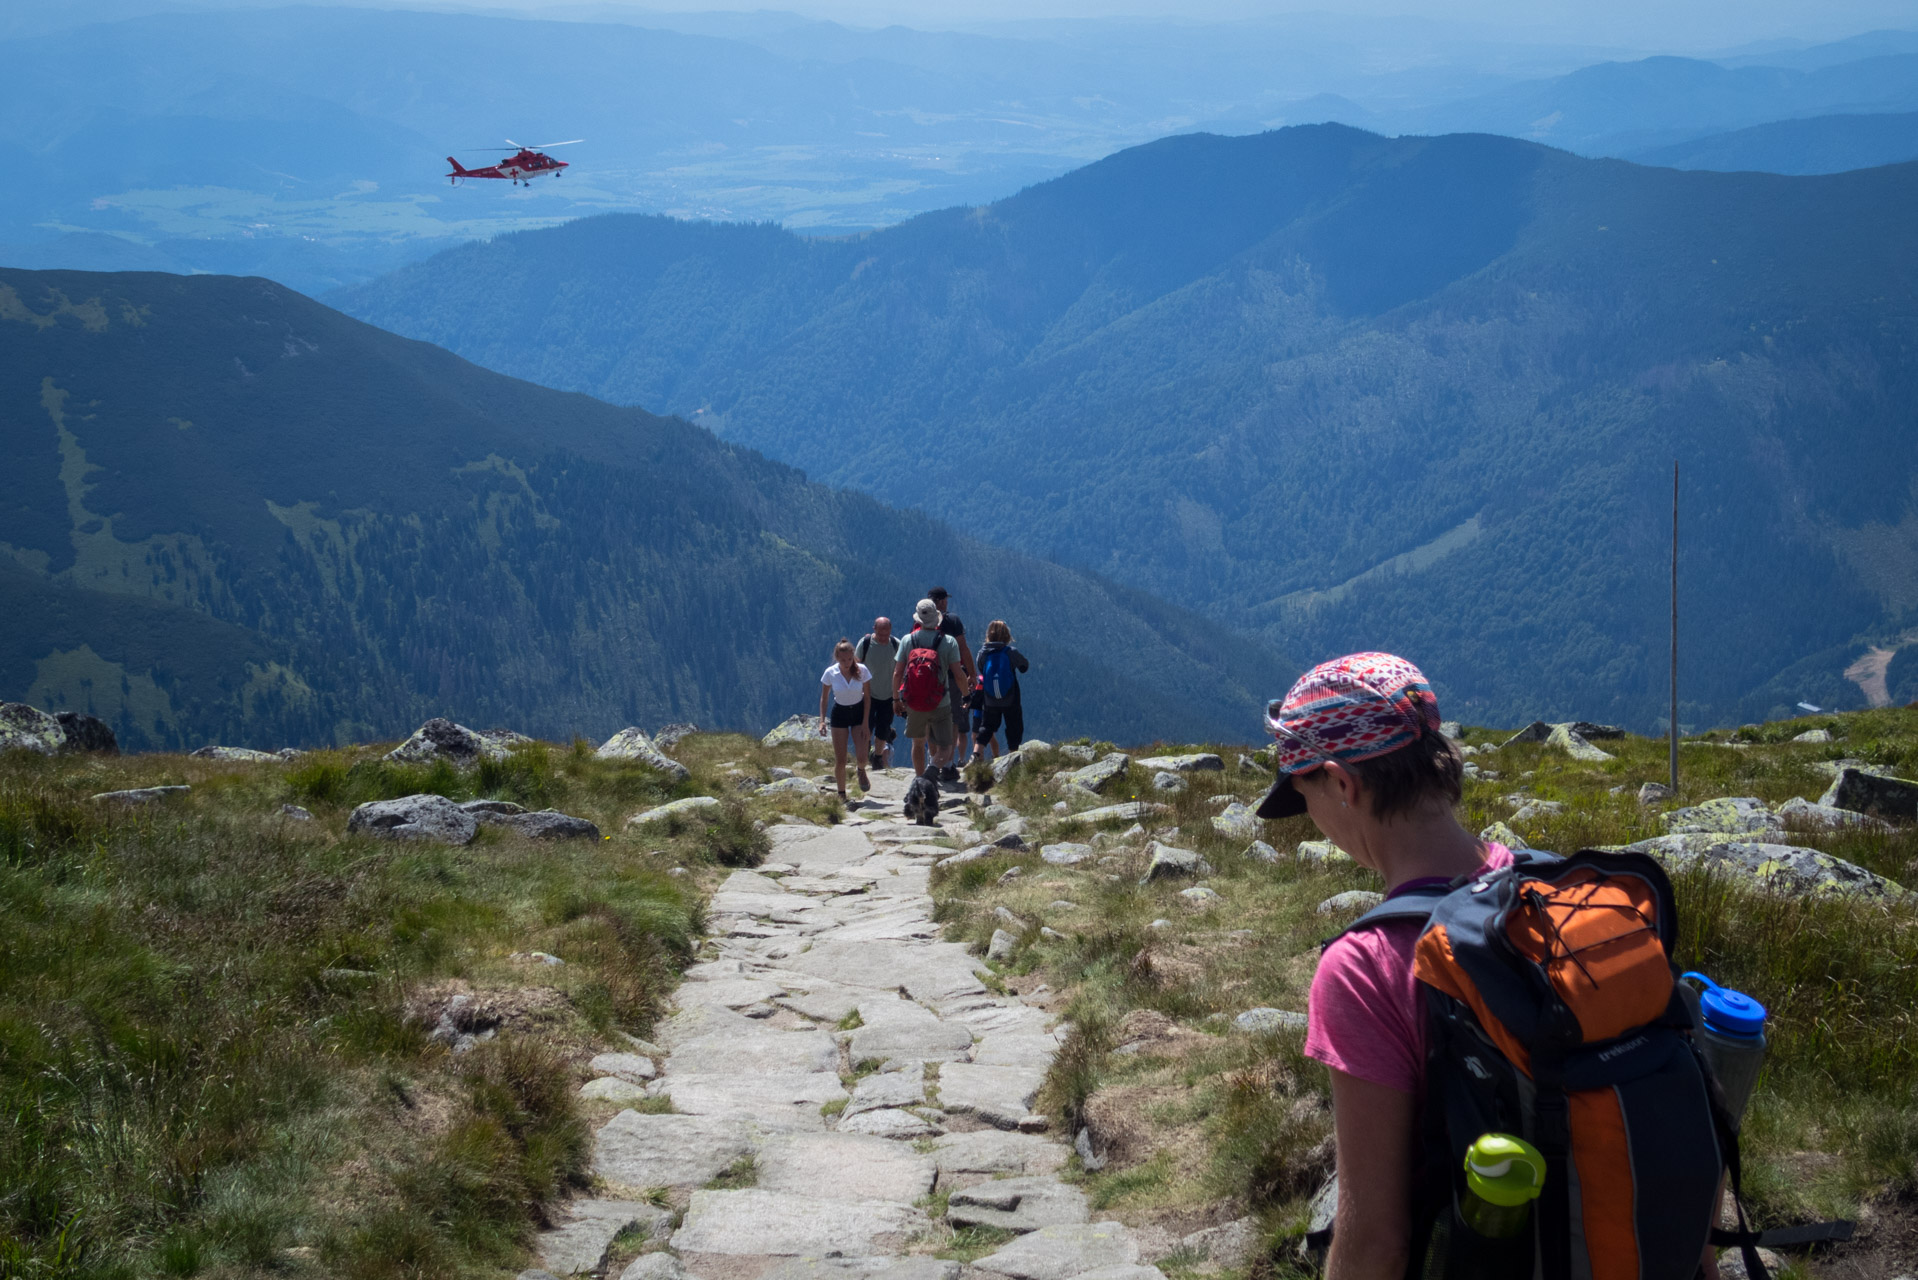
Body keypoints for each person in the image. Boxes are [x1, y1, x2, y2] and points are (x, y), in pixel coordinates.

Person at [1259, 652, 1718, 1280]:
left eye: (1304, 792)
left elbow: (1376, 1243)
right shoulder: (1571, 903)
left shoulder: (1363, 968)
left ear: (1343, 784)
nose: (1310, 815)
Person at [895, 598, 967, 781]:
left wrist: (895, 699)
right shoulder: (949, 642)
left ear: (918, 619)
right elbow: (958, 675)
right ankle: (932, 770)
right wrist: (966, 695)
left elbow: (897, 673)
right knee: (945, 746)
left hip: (914, 701)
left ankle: (920, 781)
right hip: (940, 701)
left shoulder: (907, 640)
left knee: (918, 744)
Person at [927, 587, 976, 779]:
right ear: (941, 602)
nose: (947, 602)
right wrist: (971, 674)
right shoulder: (952, 621)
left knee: (931, 720)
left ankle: (933, 758)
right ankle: (947, 764)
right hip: (951, 677)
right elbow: (963, 649)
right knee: (954, 718)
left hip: (928, 679)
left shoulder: (919, 622)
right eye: (945, 599)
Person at [817, 638, 872, 799]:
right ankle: (841, 794)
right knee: (840, 760)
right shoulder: (830, 673)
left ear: (853, 655)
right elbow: (824, 698)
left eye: (849, 659)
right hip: (839, 714)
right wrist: (822, 720)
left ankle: (860, 770)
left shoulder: (862, 671)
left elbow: (867, 697)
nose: (846, 662)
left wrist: (866, 722)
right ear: (837, 658)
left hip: (858, 712)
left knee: (862, 757)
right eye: (842, 660)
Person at [973, 618, 1029, 755]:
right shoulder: (1010, 652)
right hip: (1011, 696)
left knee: (986, 726)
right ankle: (1013, 756)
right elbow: (1024, 667)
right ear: (1006, 635)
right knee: (1014, 726)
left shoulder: (982, 653)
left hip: (990, 697)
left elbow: (981, 670)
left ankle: (976, 754)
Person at [856, 617, 901, 769]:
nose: (883, 638)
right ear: (874, 628)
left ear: (890, 630)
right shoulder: (865, 643)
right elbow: (856, 665)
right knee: (865, 727)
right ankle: (864, 757)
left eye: (886, 634)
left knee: (884, 728)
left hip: (888, 694)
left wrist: (899, 695)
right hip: (867, 694)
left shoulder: (896, 644)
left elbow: (901, 669)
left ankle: (877, 756)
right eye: (880, 634)